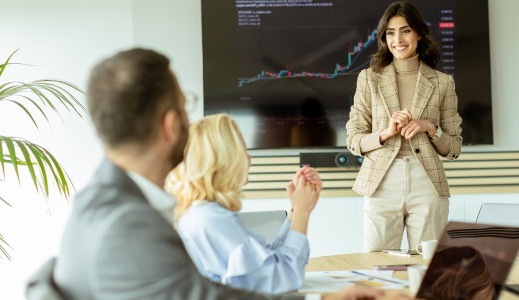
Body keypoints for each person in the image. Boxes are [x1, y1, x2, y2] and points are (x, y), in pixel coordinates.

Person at [47, 47, 394, 300]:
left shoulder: (98, 202)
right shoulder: (131, 225)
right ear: (170, 125)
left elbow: (209, 293)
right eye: (186, 107)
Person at [346, 1, 463, 252]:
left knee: (429, 268)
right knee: (377, 269)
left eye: (405, 30)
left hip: (427, 183)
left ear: (419, 34)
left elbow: (454, 148)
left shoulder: (443, 83)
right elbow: (354, 140)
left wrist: (431, 128)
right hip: (382, 182)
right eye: (390, 33)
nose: (397, 39)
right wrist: (386, 133)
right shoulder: (369, 79)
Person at [166, 114, 321, 294]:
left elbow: (269, 260)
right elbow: (284, 277)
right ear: (226, 160)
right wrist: (303, 211)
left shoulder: (202, 214)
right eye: (244, 152)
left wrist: (296, 208)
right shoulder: (212, 221)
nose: (249, 160)